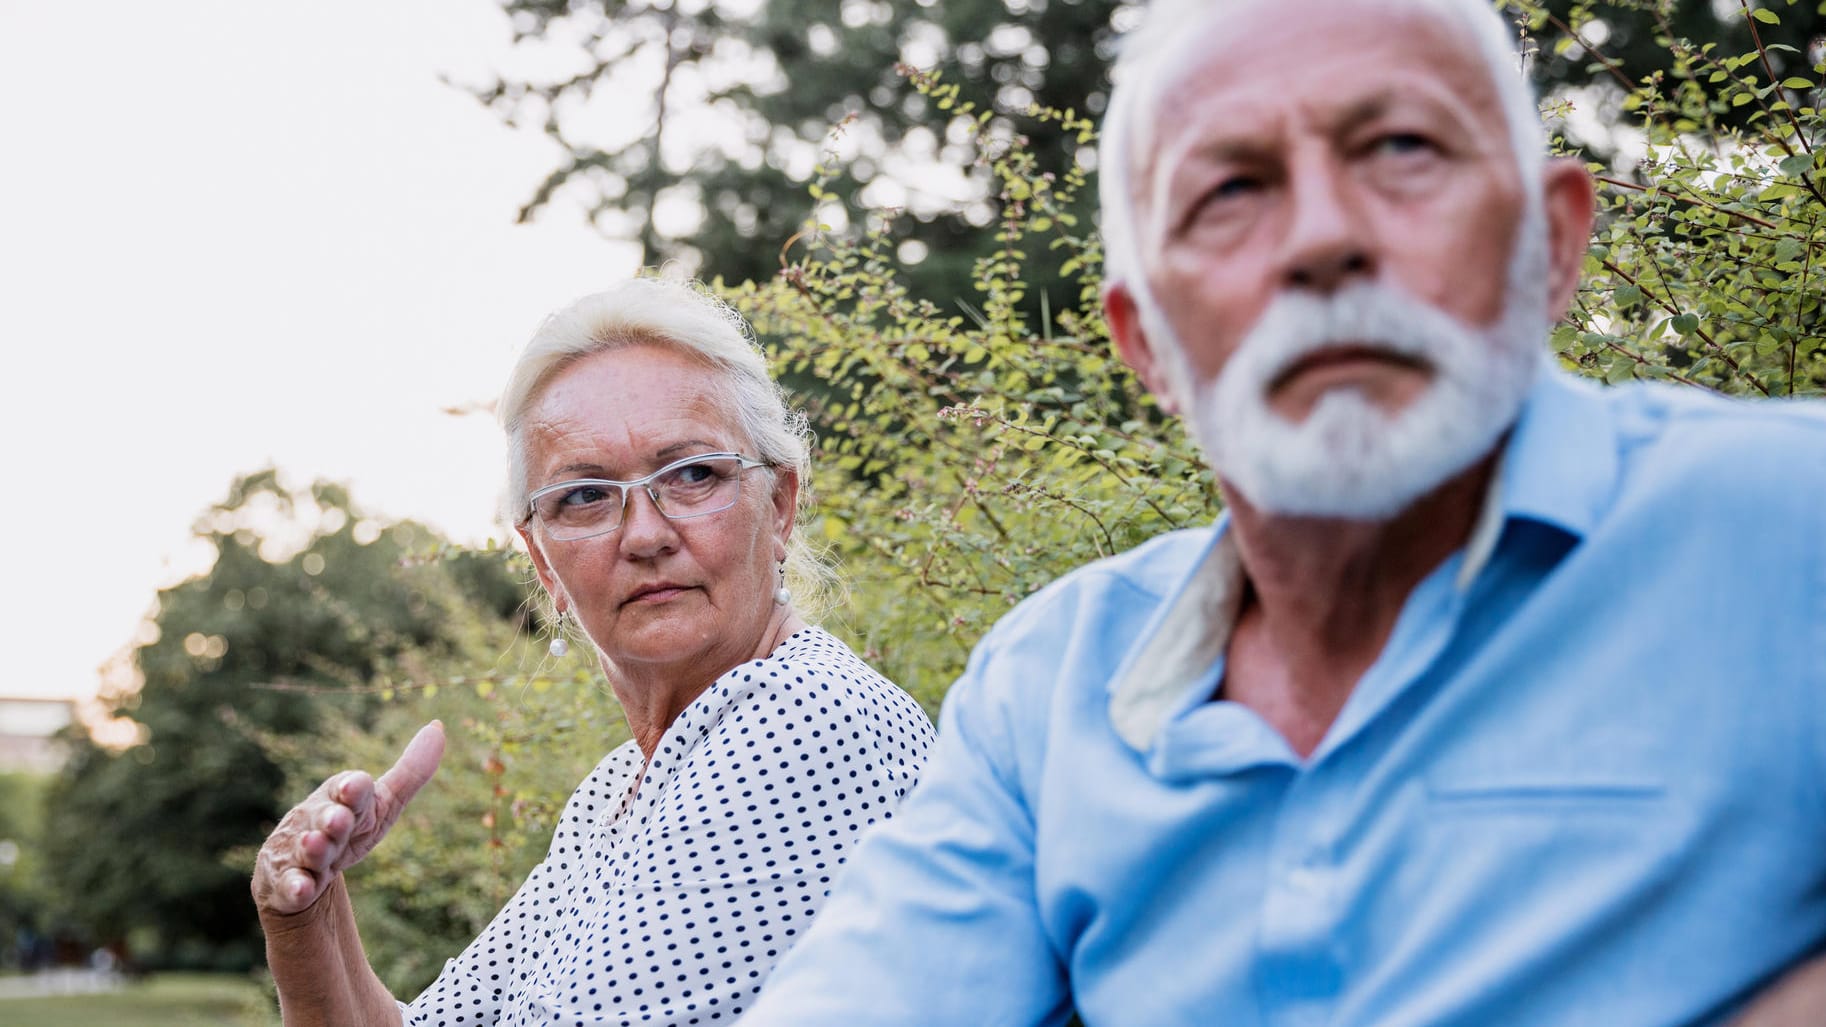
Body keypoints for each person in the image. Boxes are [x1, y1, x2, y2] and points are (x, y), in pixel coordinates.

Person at [743, 0, 1826, 1023]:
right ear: (1147, 346)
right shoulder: (1047, 690)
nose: (1320, 239)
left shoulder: (1785, 520)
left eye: (1402, 149)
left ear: (1546, 242)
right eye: (1228, 191)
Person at [250, 277, 934, 1026]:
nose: (644, 534)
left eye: (693, 474)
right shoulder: (616, 792)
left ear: (779, 506)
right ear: (543, 564)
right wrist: (303, 918)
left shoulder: (803, 721)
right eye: (585, 496)